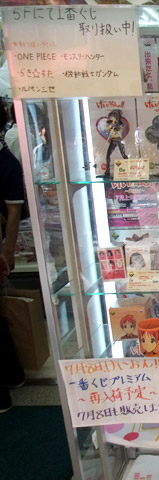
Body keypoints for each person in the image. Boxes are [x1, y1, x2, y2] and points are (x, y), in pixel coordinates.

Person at [0, 102, 27, 412]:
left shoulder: (6, 162)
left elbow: (14, 210)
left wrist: (7, 251)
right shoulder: (7, 161)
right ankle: (12, 374)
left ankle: (8, 380)